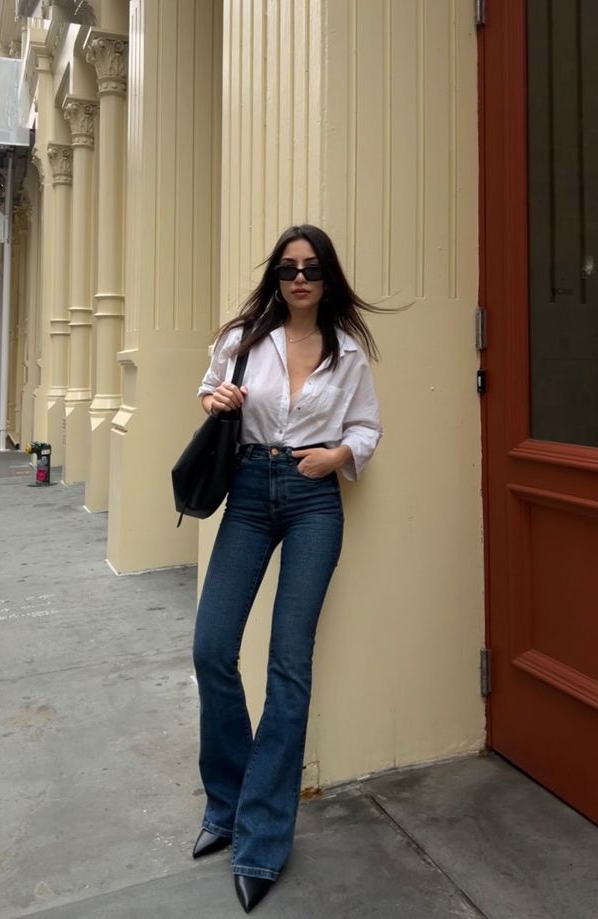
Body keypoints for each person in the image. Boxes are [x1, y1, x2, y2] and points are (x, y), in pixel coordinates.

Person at [192, 225, 383, 913]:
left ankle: (261, 837)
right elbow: (209, 391)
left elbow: (366, 429)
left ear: (327, 277)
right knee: (212, 647)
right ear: (275, 277)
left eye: (310, 268)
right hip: (247, 490)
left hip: (311, 500)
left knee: (288, 666)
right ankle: (228, 801)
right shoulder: (244, 336)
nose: (298, 278)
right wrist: (218, 402)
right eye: (287, 268)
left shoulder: (349, 352)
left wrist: (337, 458)